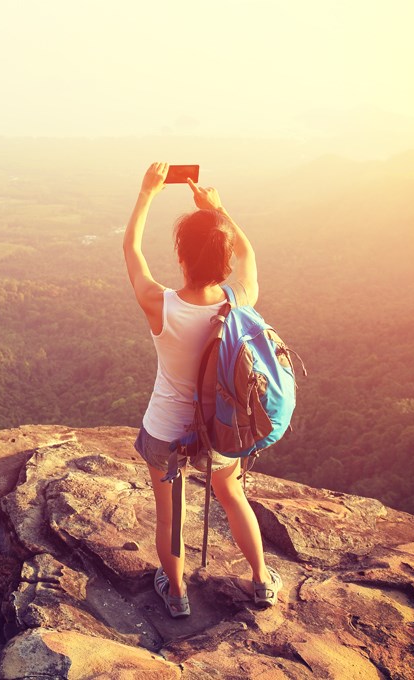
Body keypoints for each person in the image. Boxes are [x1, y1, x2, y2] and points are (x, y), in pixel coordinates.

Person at [123, 162, 282, 617]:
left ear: (181, 258)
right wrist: (219, 209)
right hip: (221, 428)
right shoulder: (239, 300)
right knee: (232, 495)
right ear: (224, 262)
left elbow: (131, 249)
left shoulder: (161, 305)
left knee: (171, 515)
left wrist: (147, 192)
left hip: (166, 429)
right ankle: (261, 581)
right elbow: (250, 258)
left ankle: (176, 594)